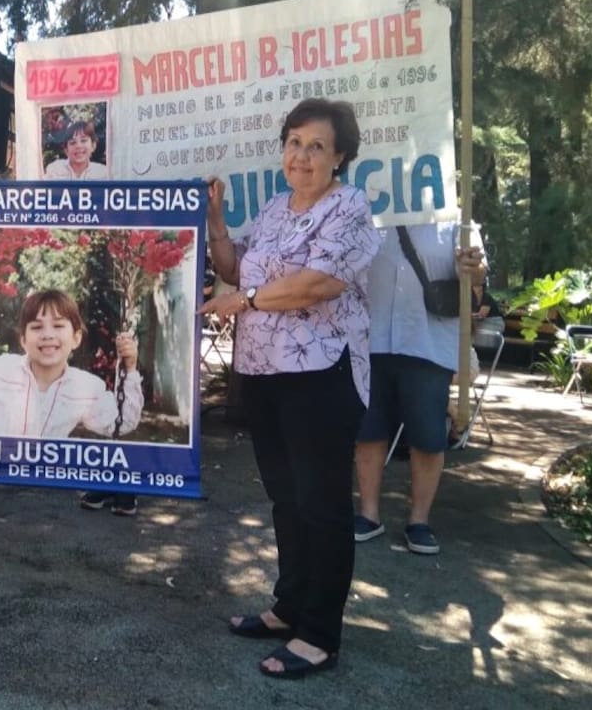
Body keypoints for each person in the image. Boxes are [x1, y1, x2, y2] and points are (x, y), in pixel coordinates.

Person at [198, 98, 379, 679]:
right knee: (285, 498)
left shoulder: (351, 208)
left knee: (322, 505)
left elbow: (316, 284)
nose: (301, 156)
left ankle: (320, 634)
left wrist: (244, 301)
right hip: (264, 375)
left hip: (322, 375)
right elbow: (235, 269)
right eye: (294, 142)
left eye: (316, 146)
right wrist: (218, 221)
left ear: (340, 157)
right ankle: (288, 607)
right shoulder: (275, 209)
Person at [353, 223, 487, 556]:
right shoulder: (369, 211)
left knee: (428, 435)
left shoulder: (457, 220)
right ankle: (368, 514)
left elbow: (479, 278)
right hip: (371, 338)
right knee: (368, 430)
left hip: (428, 341)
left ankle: (419, 521)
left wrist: (474, 269)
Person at [0, 289, 143, 516]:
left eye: (58, 326)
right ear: (23, 340)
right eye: (37, 327)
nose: (47, 335)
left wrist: (129, 368)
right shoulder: (0, 370)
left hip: (26, 492)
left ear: (76, 338)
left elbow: (122, 422)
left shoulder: (84, 388)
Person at [43, 121, 109, 179]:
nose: (78, 146)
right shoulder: (54, 170)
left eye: (83, 141)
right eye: (73, 142)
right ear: (66, 150)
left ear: (93, 146)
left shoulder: (102, 173)